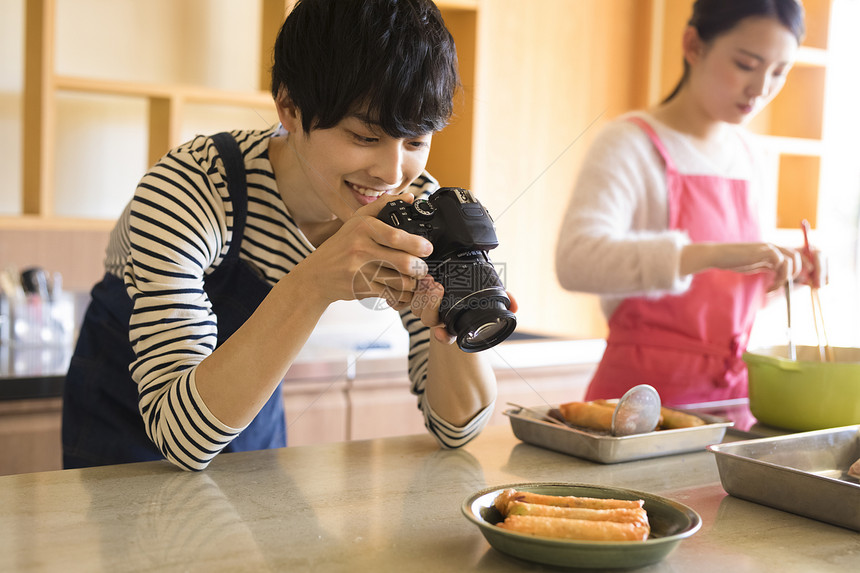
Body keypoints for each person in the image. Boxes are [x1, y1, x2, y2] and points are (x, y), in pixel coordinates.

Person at [62, 0, 505, 471]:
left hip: (247, 406)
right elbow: (182, 438)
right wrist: (315, 283)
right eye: (365, 137)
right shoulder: (193, 188)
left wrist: (455, 320)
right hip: (129, 411)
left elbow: (459, 429)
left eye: (415, 141)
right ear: (290, 108)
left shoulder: (418, 206)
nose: (391, 174)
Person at [555, 0, 819, 406]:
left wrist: (788, 274)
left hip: (733, 402)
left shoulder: (753, 156)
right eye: (746, 64)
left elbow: (724, 301)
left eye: (780, 72)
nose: (761, 88)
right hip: (638, 403)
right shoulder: (629, 143)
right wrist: (713, 253)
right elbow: (575, 262)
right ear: (693, 45)